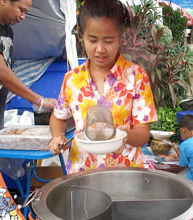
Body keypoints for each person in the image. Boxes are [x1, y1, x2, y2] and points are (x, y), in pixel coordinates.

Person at [48, 0, 157, 174]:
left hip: (125, 173)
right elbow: (58, 117)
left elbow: (143, 133)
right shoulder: (72, 79)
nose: (100, 49)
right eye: (92, 40)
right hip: (81, 172)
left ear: (121, 37)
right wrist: (57, 137)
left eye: (108, 41)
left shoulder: (136, 76)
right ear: (81, 36)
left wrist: (126, 135)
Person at [0, 0, 57, 201]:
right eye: (21, 10)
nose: (23, 16)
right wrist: (38, 100)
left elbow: (7, 69)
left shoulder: (7, 30)